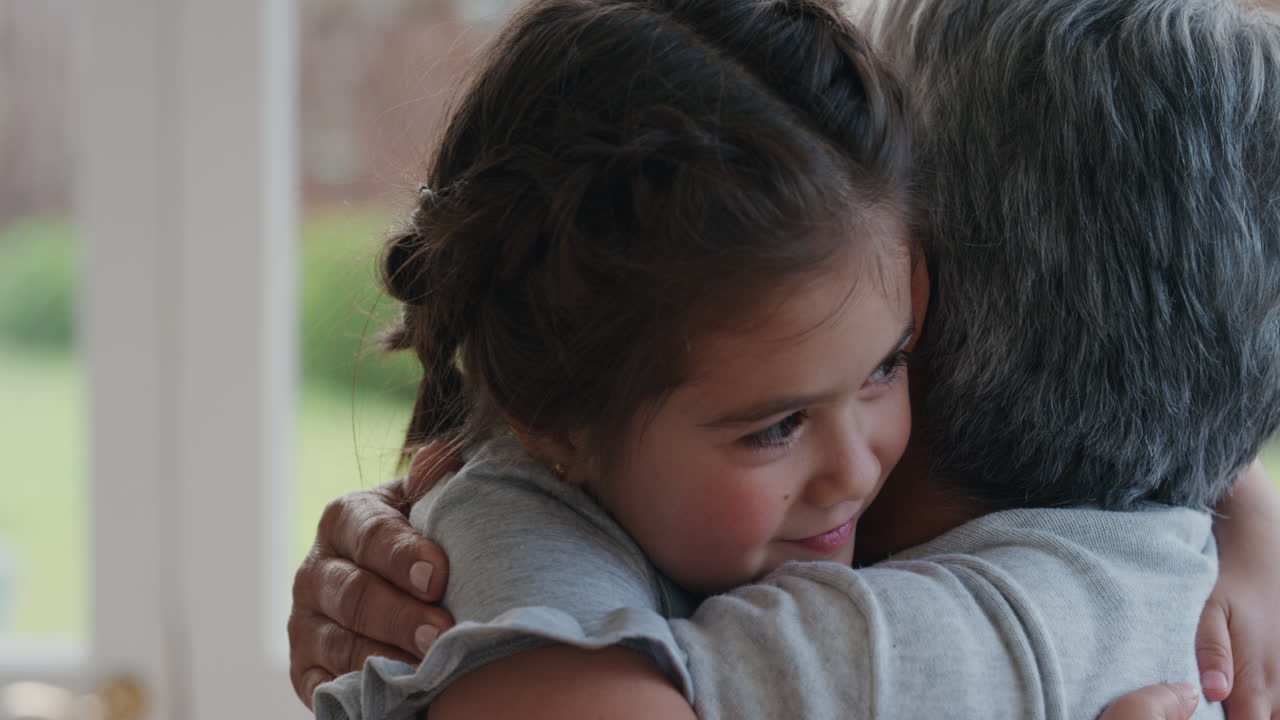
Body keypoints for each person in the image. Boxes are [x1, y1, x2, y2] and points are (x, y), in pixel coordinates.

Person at [295, 0, 1280, 718]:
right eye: (773, 425)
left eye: (888, 363)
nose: (855, 464)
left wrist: (1241, 511)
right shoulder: (512, 544)